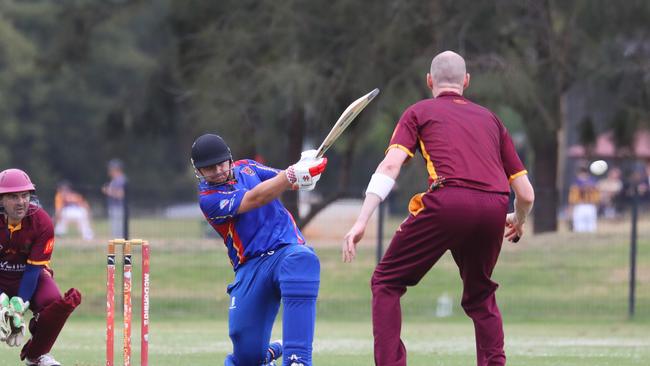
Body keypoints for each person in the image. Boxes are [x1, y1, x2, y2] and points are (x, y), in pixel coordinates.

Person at [342, 51, 535, 366]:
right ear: (466, 82)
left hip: (450, 201)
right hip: (495, 206)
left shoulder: (418, 112)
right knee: (481, 293)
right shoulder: (492, 120)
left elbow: (391, 165)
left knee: (386, 282)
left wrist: (361, 220)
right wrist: (517, 218)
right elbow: (526, 193)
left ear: (429, 81)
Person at [191, 134, 327, 366]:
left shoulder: (248, 167)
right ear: (199, 171)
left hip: (285, 250)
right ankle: (271, 353)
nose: (219, 170)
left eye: (222, 163)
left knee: (302, 260)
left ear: (230, 159)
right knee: (246, 357)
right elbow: (255, 198)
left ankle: (297, 359)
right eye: (210, 168)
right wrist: (291, 174)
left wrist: (308, 170)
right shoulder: (209, 199)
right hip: (250, 267)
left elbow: (286, 182)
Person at [0, 168, 82, 366]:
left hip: (29, 277)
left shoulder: (42, 222)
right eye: (13, 196)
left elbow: (32, 270)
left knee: (54, 302)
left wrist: (19, 307)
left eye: (25, 195)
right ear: (1, 199)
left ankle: (36, 355)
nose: (21, 202)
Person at [568, 166, 600, 232]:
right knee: (589, 227)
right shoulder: (593, 183)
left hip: (582, 206)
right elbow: (597, 198)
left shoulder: (576, 183)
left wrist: (570, 211)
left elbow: (572, 200)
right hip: (588, 206)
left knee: (581, 228)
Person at [101, 159, 127, 239]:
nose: (109, 171)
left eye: (111, 168)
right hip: (114, 207)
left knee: (118, 229)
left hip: (119, 207)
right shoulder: (115, 180)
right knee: (114, 228)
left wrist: (108, 191)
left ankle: (118, 244)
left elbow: (121, 194)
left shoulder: (121, 180)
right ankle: (117, 243)